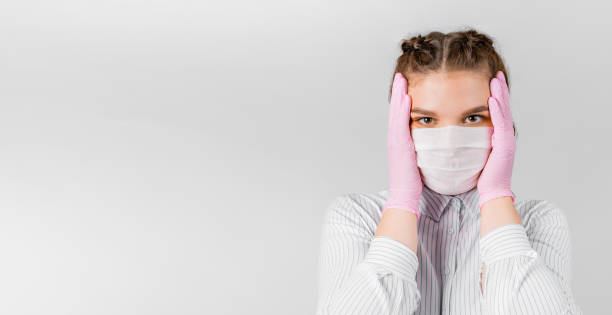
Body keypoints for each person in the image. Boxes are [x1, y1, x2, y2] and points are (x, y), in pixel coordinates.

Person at [315, 29, 583, 315]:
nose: (450, 142)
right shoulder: (356, 217)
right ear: (400, 126)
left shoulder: (538, 222)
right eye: (427, 119)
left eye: (473, 118)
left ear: (502, 125)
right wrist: (403, 202)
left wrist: (495, 196)